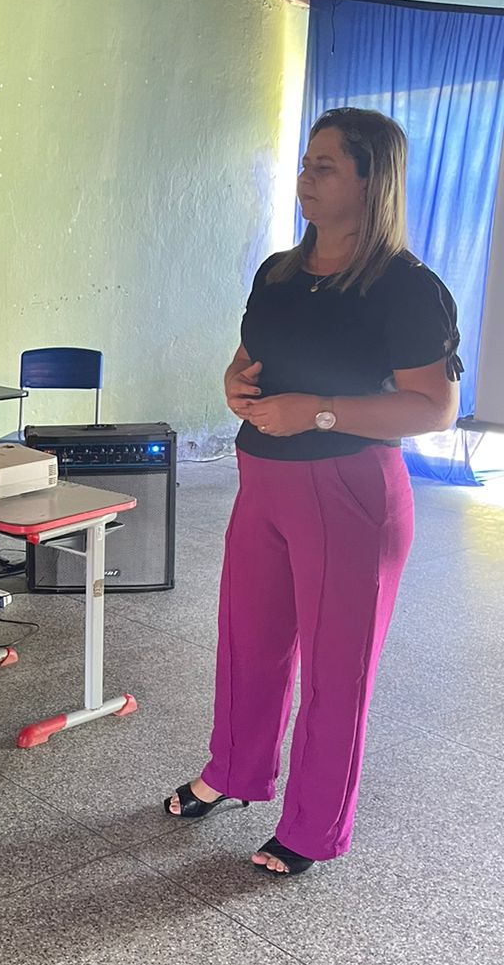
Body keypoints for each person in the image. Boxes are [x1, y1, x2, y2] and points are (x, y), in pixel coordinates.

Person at [164, 108, 461, 876]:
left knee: (336, 673)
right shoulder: (279, 272)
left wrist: (319, 412)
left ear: (371, 180)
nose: (306, 177)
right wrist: (234, 383)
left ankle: (313, 826)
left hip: (349, 491)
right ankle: (233, 771)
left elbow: (434, 407)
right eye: (305, 162)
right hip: (262, 481)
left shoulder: (406, 288)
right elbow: (250, 355)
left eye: (325, 166)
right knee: (248, 644)